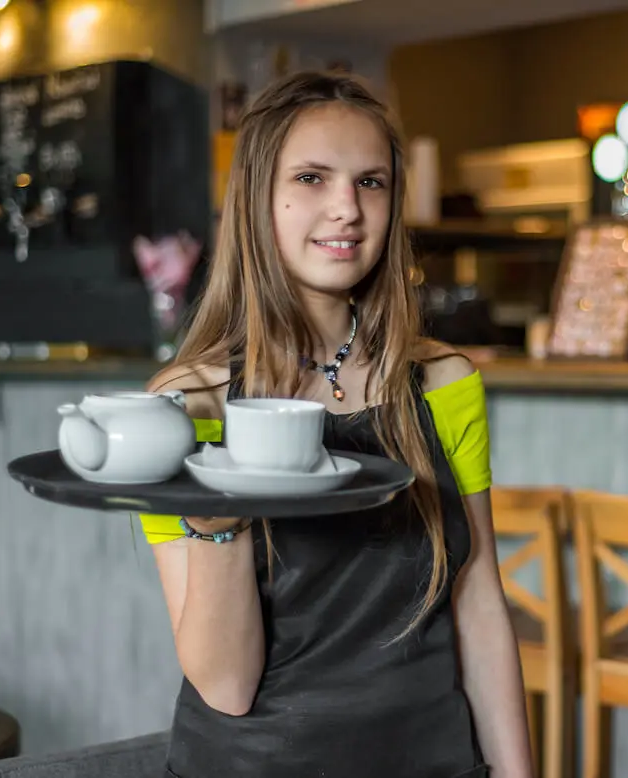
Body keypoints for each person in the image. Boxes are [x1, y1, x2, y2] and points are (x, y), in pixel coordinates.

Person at [137, 70, 532, 778]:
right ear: (259, 198)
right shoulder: (186, 404)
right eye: (313, 177)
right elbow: (226, 687)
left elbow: (477, 602)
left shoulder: (446, 382)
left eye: (371, 182)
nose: (347, 207)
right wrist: (214, 505)